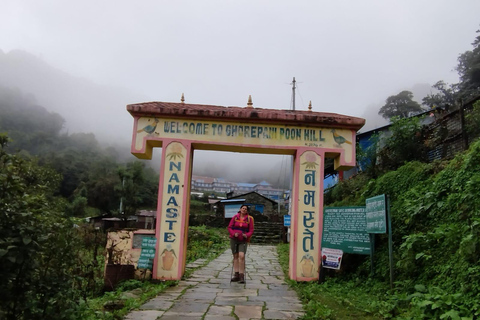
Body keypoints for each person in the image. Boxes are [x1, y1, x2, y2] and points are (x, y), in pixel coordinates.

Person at [228, 204, 254, 283]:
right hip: (234, 239)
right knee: (235, 256)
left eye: (245, 209)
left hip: (243, 240)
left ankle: (241, 275)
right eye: (243, 208)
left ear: (247, 211)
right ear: (240, 209)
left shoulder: (249, 219)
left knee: (241, 256)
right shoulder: (235, 217)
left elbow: (251, 230)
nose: (244, 210)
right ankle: (236, 275)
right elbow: (229, 227)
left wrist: (247, 235)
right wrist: (233, 234)